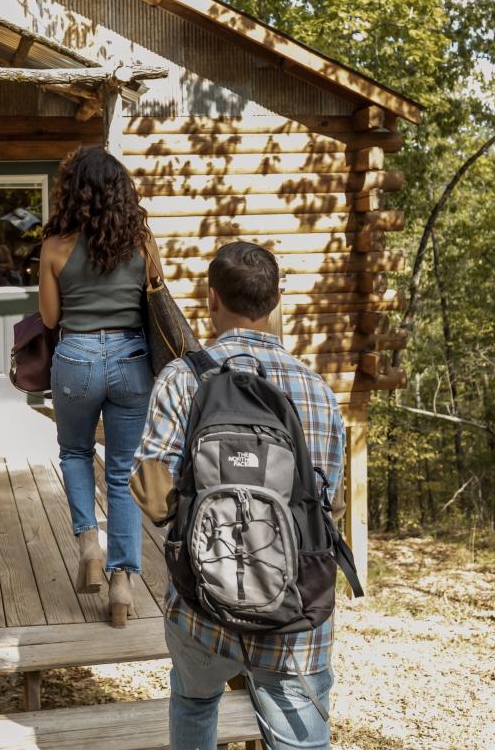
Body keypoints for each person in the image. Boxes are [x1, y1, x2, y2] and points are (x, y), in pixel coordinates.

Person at [130, 241, 346, 750]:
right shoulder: (316, 389)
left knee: (193, 701)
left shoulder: (182, 379)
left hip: (202, 608)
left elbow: (156, 498)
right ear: (275, 304)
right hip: (293, 614)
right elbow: (330, 505)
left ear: (210, 300)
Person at [38, 146, 161, 628]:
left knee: (74, 452)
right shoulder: (142, 242)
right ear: (120, 192)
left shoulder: (54, 247)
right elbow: (156, 302)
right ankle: (123, 585)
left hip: (77, 359)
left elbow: (50, 319)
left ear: (72, 193)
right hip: (132, 361)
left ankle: (89, 543)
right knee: (124, 470)